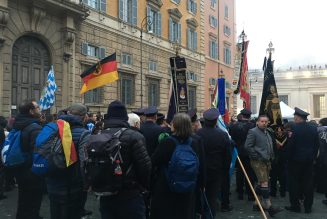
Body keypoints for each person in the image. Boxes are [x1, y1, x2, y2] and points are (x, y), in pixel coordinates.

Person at [99, 100, 151, 219]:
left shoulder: (98, 135)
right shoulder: (135, 136)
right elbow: (145, 167)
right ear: (124, 116)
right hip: (130, 195)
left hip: (105, 194)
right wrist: (142, 188)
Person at [151, 113, 205, 219]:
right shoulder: (194, 143)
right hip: (188, 189)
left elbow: (153, 161)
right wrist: (201, 185)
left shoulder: (167, 142)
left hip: (167, 188)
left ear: (175, 125)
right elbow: (201, 166)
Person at [46, 103, 91, 219]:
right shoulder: (84, 133)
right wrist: (86, 183)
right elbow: (83, 162)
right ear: (84, 116)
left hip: (52, 182)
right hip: (72, 187)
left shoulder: (53, 127)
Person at [244, 114, 282, 217]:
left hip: (267, 161)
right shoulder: (253, 131)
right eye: (262, 121)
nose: (264, 123)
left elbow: (270, 145)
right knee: (264, 182)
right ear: (257, 122)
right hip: (258, 162)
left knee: (261, 182)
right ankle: (269, 207)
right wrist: (255, 156)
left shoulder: (268, 131)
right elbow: (248, 146)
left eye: (266, 121)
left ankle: (256, 204)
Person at [12, 100, 44, 219]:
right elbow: (38, 152)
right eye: (37, 108)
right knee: (33, 202)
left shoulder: (18, 124)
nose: (40, 109)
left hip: (19, 166)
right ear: (31, 111)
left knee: (23, 199)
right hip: (31, 170)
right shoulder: (34, 127)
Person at [196, 108, 231, 218]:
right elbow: (227, 156)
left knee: (198, 196)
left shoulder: (197, 134)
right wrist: (225, 170)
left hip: (199, 170)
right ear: (216, 120)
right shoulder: (223, 135)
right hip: (216, 170)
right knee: (211, 198)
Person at [285, 107, 319, 213]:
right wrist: (313, 157)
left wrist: (288, 159)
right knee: (308, 183)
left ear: (298, 118)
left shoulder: (294, 129)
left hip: (295, 161)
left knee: (294, 183)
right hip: (309, 160)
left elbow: (291, 146)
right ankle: (308, 207)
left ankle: (295, 206)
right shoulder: (313, 128)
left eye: (295, 117)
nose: (294, 119)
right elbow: (316, 145)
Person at [229, 109, 256, 201]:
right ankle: (250, 194)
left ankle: (240, 193)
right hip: (249, 153)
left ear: (242, 115)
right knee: (250, 173)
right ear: (249, 116)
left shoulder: (234, 126)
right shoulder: (253, 126)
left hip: (238, 152)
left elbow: (231, 139)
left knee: (240, 173)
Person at [317, 118, 327, 205]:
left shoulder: (319, 131)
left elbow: (321, 148)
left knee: (323, 176)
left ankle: (322, 189)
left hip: (323, 158)